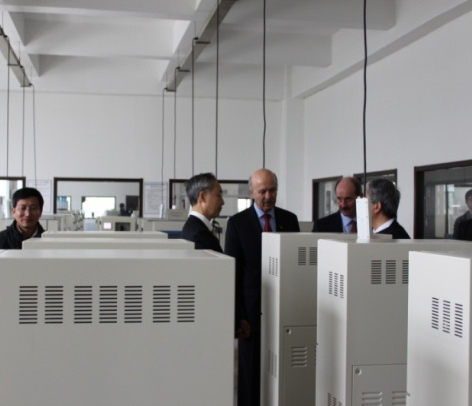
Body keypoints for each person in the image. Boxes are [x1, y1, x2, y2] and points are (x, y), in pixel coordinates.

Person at [225, 168, 300, 406]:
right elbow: (233, 274)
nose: (268, 196)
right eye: (263, 191)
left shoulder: (290, 220)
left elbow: (296, 267)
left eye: (273, 190)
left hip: (284, 313)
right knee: (250, 379)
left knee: (282, 376)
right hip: (251, 318)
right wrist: (238, 318)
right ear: (251, 192)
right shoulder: (237, 224)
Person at [181, 173, 224, 252]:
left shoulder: (193, 227)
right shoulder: (199, 236)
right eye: (219, 195)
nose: (222, 202)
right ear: (203, 196)